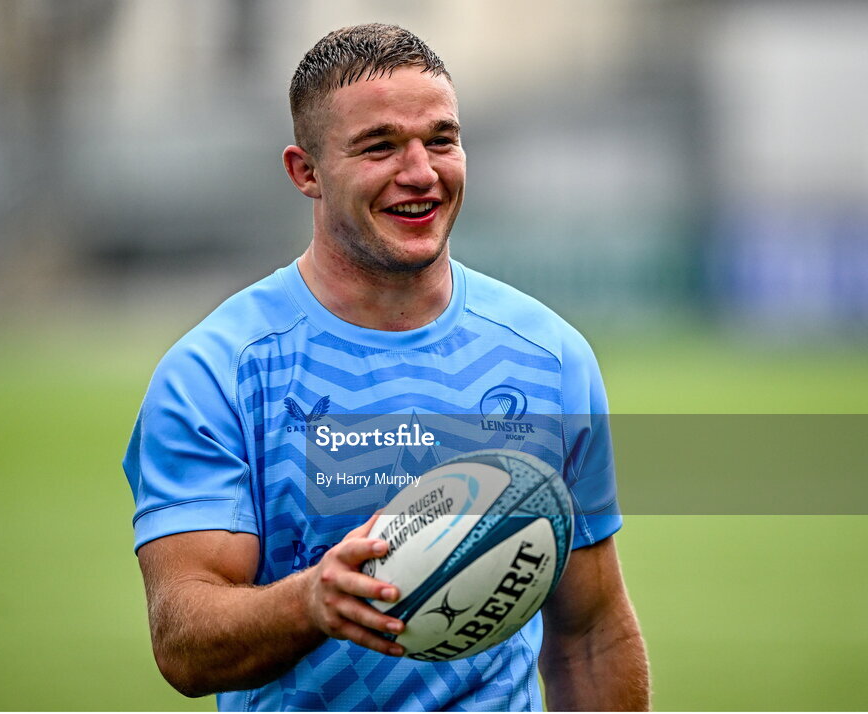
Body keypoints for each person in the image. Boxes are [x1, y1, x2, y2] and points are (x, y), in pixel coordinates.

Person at [123, 23, 650, 711]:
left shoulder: (549, 359)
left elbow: (589, 635)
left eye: (441, 139)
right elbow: (183, 644)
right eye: (380, 147)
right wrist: (311, 602)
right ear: (305, 171)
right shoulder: (216, 373)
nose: (421, 172)